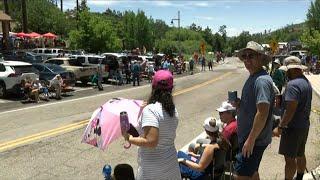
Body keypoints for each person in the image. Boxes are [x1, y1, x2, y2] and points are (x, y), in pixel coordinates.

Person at [122, 70, 181, 179]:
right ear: (171, 88)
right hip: (171, 167)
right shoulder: (172, 110)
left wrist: (129, 138)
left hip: (154, 171)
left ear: (153, 88)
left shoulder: (151, 110)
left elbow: (151, 142)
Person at [235, 41, 275, 179]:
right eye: (244, 56)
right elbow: (254, 106)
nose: (247, 59)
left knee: (241, 175)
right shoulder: (254, 76)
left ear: (260, 58)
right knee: (252, 173)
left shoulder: (261, 81)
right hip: (251, 139)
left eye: (251, 56)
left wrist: (250, 140)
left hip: (254, 141)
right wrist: (240, 104)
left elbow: (262, 113)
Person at [273, 56, 312, 180]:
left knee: (289, 159)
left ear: (292, 70)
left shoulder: (292, 85)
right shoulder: (306, 81)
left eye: (286, 71)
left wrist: (280, 126)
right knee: (300, 154)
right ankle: (300, 177)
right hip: (303, 125)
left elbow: (290, 110)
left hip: (293, 128)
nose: (285, 74)